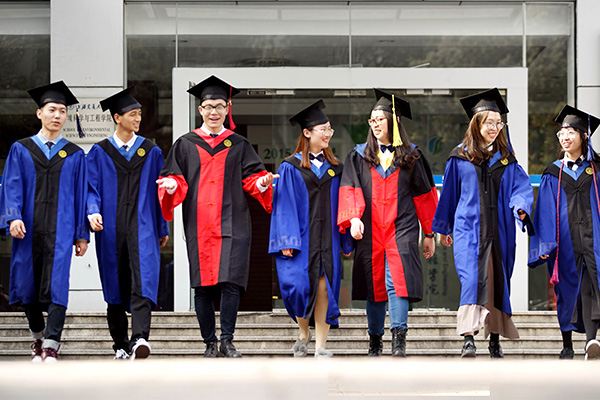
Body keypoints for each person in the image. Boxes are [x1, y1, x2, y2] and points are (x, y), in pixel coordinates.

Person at [156, 75, 276, 358]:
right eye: (209, 106)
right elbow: (174, 178)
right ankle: (209, 342)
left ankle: (227, 340)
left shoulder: (238, 144)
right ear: (200, 109)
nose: (214, 112)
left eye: (219, 106)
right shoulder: (185, 144)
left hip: (233, 223)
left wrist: (262, 183)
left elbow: (253, 177)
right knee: (202, 286)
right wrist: (171, 185)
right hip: (199, 224)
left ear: (227, 109)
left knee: (231, 282)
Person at [432, 88, 534, 358]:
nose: (494, 128)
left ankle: (495, 338)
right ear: (476, 123)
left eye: (499, 123)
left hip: (500, 231)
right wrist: (443, 228)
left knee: (497, 281)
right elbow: (449, 194)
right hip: (468, 230)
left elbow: (520, 188)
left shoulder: (507, 160)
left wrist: (521, 208)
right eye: (489, 122)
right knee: (471, 279)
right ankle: (468, 338)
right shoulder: (459, 157)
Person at [338, 89, 438, 357]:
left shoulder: (412, 156)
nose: (375, 124)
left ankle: (398, 340)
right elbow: (349, 187)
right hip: (370, 229)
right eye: (372, 120)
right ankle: (375, 341)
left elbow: (425, 196)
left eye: (380, 119)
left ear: (394, 122)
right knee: (375, 286)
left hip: (401, 228)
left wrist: (430, 233)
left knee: (397, 283)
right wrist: (354, 217)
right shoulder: (358, 156)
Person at [0, 81, 89, 362]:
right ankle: (38, 337)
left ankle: (51, 344)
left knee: (58, 286)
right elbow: (11, 185)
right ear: (40, 113)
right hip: (27, 228)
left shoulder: (74, 154)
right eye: (52, 110)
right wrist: (12, 216)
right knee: (26, 287)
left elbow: (80, 196)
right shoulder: (21, 148)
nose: (57, 115)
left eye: (62, 111)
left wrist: (81, 234)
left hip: (61, 230)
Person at [87, 87, 169, 360]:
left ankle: (140, 338)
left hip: (143, 225)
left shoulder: (151, 151)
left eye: (140, 114)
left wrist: (162, 227)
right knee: (114, 284)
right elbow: (91, 188)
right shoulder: (99, 152)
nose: (138, 119)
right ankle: (121, 345)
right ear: (117, 117)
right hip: (110, 228)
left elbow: (159, 193)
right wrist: (92, 211)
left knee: (143, 279)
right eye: (133, 114)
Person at [269, 100, 353, 358]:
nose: (328, 134)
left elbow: (345, 205)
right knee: (299, 287)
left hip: (328, 238)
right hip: (300, 239)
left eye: (330, 129)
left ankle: (321, 347)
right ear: (307, 133)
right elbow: (284, 205)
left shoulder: (337, 169)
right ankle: (304, 332)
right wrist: (286, 239)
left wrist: (346, 240)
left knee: (325, 287)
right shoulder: (290, 167)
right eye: (323, 129)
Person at [529, 105, 600, 360]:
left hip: (594, 241)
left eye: (571, 132)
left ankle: (591, 340)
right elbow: (545, 210)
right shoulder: (553, 172)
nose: (565, 137)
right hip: (565, 243)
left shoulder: (597, 169)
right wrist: (545, 244)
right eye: (561, 133)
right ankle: (567, 344)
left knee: (591, 286)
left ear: (584, 135)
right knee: (567, 291)